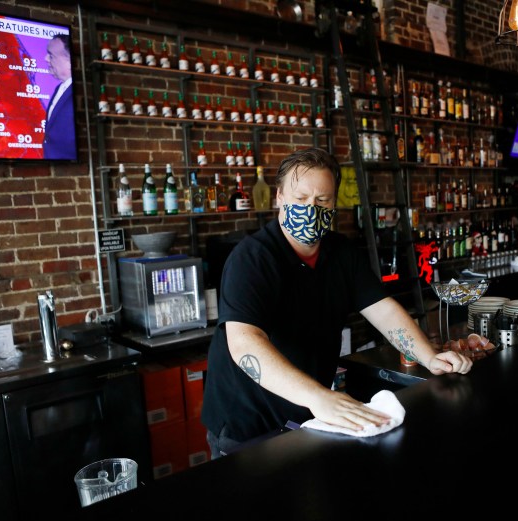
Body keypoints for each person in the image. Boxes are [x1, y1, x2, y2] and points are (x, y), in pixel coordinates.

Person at [201, 147, 477, 459]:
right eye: (301, 198)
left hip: (307, 416)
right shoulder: (253, 259)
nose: (311, 209)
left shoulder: (342, 254)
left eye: (322, 201)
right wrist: (319, 396)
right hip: (247, 425)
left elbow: (383, 310)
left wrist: (429, 357)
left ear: (334, 204)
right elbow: (244, 343)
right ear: (279, 197)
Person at [42, 33, 76, 160]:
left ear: (69, 60)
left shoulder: (78, 92)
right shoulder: (59, 89)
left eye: (51, 55)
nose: (46, 58)